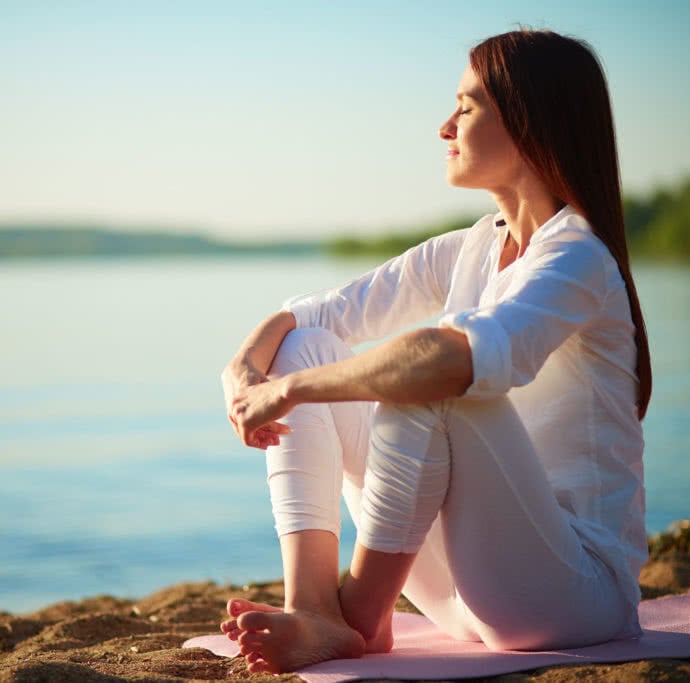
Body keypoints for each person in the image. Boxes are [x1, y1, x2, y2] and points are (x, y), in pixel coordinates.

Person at [217, 29, 652, 674]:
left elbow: (451, 359)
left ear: (530, 123)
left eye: (467, 106)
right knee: (307, 348)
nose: (445, 126)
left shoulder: (577, 256)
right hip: (464, 591)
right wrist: (245, 369)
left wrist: (288, 392)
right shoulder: (472, 246)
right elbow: (312, 316)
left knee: (434, 377)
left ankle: (359, 617)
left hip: (573, 595)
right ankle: (316, 609)